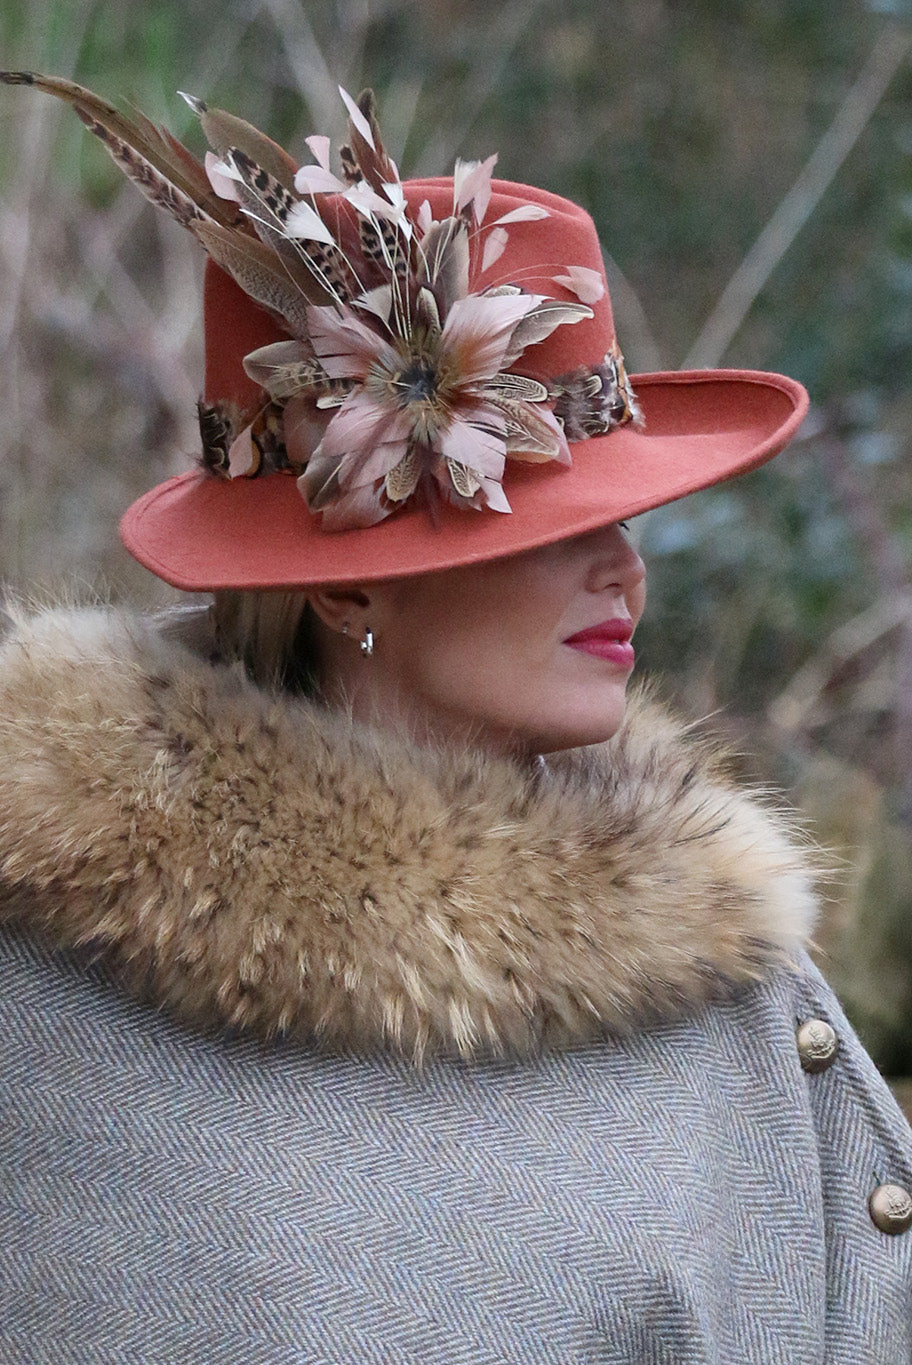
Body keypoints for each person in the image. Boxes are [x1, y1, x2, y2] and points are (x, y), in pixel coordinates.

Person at [0, 72, 910, 1365]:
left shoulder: (723, 1008)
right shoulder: (48, 994)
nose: (627, 573)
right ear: (347, 583)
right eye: (549, 521)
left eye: (622, 517)